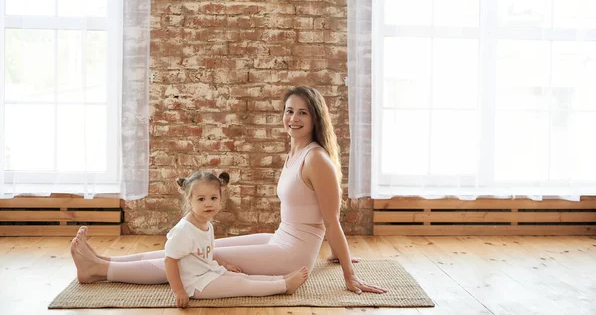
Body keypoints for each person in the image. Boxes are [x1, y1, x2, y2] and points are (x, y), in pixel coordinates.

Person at [70, 86, 386, 295]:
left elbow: (331, 220)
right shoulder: (295, 152)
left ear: (316, 117)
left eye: (303, 112)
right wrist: (331, 254)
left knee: (195, 256)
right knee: (200, 244)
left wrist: (348, 275)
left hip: (291, 254)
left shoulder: (316, 159)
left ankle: (100, 270)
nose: (293, 118)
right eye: (289, 110)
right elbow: (311, 212)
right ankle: (106, 259)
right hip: (280, 238)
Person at [165, 171, 308, 307]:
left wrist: (225, 265)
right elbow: (170, 261)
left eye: (213, 198)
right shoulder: (183, 231)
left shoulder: (206, 224)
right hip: (195, 284)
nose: (208, 203)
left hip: (209, 273)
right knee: (241, 285)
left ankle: (280, 279)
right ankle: (283, 286)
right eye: (201, 199)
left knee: (243, 277)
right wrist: (179, 291)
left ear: (221, 198)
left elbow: (203, 253)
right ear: (189, 201)